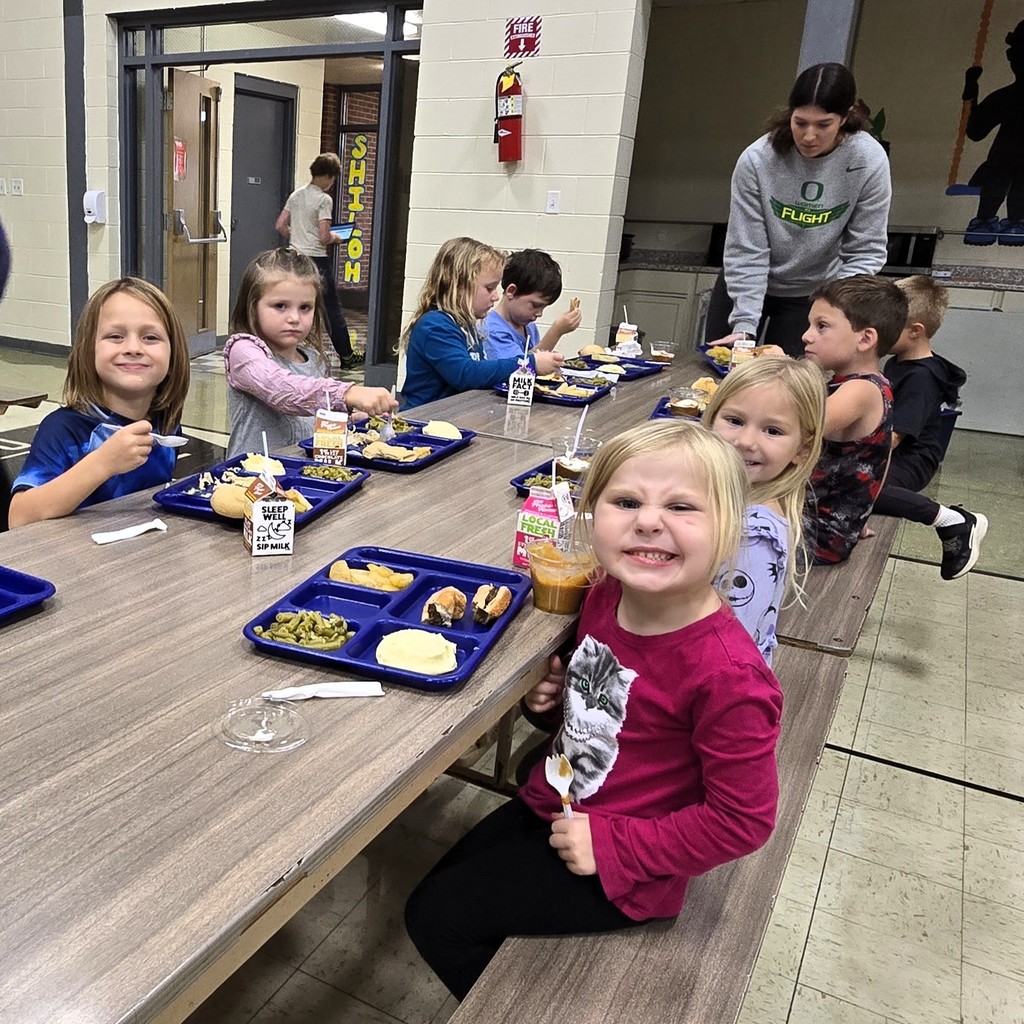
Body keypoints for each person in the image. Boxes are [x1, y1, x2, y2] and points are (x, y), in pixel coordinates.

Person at [405, 421, 783, 1000]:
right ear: (592, 513)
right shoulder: (606, 595)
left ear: (732, 529)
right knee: (439, 880)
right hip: (556, 800)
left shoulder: (729, 677)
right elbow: (618, 719)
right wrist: (555, 706)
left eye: (682, 506)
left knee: (435, 917)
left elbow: (743, 821)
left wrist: (616, 848)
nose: (649, 520)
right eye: (626, 501)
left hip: (627, 865)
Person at [705, 63, 891, 357]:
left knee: (790, 385)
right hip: (744, 283)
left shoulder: (868, 160)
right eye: (800, 122)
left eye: (823, 125)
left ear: (844, 118)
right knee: (722, 371)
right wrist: (743, 326)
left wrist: (832, 310)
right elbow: (746, 247)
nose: (808, 136)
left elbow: (865, 250)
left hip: (811, 294)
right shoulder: (758, 160)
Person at [8, 278, 191, 528]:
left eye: (150, 337)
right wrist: (103, 463)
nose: (133, 348)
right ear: (89, 350)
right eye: (115, 336)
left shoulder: (166, 425)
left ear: (173, 353)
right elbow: (18, 517)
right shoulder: (64, 430)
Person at [704, 357, 827, 665]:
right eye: (734, 421)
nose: (745, 441)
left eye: (772, 430)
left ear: (803, 450)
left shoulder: (752, 539)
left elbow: (728, 646)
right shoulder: (731, 497)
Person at [223, 248, 395, 458]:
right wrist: (348, 394)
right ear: (252, 308)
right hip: (250, 482)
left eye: (305, 307)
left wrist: (352, 417)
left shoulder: (313, 359)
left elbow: (318, 413)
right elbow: (282, 390)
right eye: (280, 306)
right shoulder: (243, 351)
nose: (294, 317)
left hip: (301, 477)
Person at [871, 275, 986, 580]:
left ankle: (953, 520)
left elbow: (894, 438)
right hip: (895, 450)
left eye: (886, 325)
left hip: (913, 458)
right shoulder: (898, 360)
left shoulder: (921, 379)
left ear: (915, 331)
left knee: (860, 487)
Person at [800, 275, 904, 565]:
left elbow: (795, 430)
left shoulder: (859, 391)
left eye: (821, 326)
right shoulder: (872, 383)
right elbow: (880, 462)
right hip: (827, 526)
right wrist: (858, 517)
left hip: (816, 537)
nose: (807, 336)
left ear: (866, 339)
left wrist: (772, 370)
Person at [399, 237, 564, 410]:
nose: (495, 296)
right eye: (489, 288)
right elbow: (466, 374)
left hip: (456, 417)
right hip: (423, 422)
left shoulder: (466, 325)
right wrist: (530, 364)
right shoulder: (435, 326)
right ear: (460, 285)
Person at [274, 153, 359, 368]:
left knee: (293, 304)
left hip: (294, 257)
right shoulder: (323, 199)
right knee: (331, 307)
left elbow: (280, 225)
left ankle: (286, 352)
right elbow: (324, 236)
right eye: (332, 179)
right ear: (328, 176)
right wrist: (337, 238)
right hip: (317, 259)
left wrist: (297, 237)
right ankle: (347, 356)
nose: (332, 184)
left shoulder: (296, 195)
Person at [481, 248, 581, 359]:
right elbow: (519, 369)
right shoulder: (491, 331)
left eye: (544, 307)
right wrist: (556, 332)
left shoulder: (529, 327)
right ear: (511, 291)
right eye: (535, 305)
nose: (539, 314)